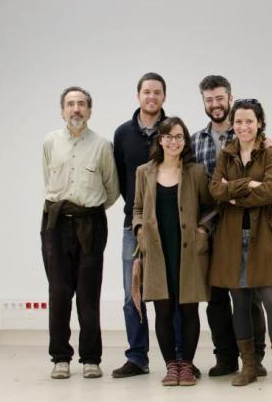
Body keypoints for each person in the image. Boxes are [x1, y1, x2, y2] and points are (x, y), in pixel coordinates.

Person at [209, 99, 272, 388]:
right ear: (232, 124)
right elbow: (216, 189)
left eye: (249, 121)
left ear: (259, 122)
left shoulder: (271, 150)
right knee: (240, 303)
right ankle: (248, 366)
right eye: (238, 121)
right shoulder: (226, 153)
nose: (243, 126)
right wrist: (248, 184)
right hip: (231, 238)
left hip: (264, 237)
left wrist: (234, 192)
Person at [191, 75, 267, 377]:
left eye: (220, 98)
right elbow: (199, 187)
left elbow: (262, 182)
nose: (215, 104)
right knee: (216, 298)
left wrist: (228, 189)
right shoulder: (195, 141)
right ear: (203, 102)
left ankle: (256, 357)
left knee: (250, 296)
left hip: (243, 223)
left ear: (230, 98)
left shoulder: (250, 137)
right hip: (209, 227)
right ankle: (225, 357)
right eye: (209, 99)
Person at [40, 86, 119, 380]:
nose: (76, 109)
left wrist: (89, 209)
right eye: (71, 104)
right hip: (55, 223)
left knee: (88, 293)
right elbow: (48, 180)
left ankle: (91, 358)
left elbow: (112, 189)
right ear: (62, 110)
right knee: (59, 292)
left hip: (90, 224)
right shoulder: (50, 142)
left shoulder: (102, 145)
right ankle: (60, 357)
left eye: (82, 104)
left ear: (89, 110)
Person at [133, 117, 214, 386]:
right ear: (160, 140)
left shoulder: (196, 172)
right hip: (158, 251)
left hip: (189, 250)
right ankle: (171, 366)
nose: (173, 142)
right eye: (168, 136)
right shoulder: (144, 171)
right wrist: (140, 231)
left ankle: (187, 366)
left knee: (189, 310)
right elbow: (137, 209)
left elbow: (210, 207)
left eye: (179, 137)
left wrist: (202, 229)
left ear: (185, 141)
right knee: (163, 311)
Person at [111, 73, 167, 378]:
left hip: (168, 225)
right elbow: (121, 179)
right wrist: (136, 209)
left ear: (164, 97)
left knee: (169, 294)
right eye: (147, 92)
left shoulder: (172, 130)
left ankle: (178, 358)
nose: (152, 97)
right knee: (132, 294)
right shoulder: (122, 134)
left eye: (157, 92)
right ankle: (137, 357)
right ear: (138, 96)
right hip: (132, 226)